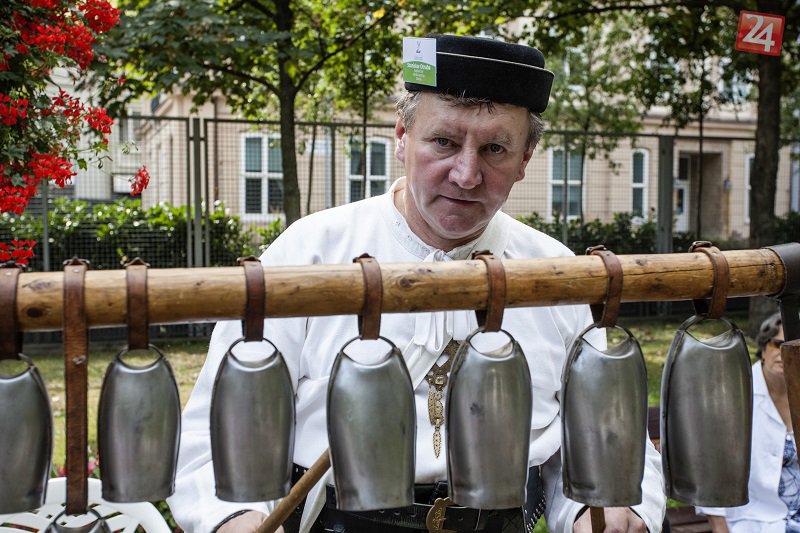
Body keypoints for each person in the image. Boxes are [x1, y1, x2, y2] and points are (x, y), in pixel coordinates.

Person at [166, 34, 666, 533]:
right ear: (402, 136)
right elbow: (214, 439)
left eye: (494, 149)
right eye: (444, 142)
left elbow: (606, 439)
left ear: (525, 159)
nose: (466, 175)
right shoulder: (309, 254)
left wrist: (611, 513)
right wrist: (238, 519)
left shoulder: (556, 275)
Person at [698, 312, 798, 532]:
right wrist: (719, 526)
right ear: (763, 346)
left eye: (793, 348)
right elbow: (710, 466)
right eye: (777, 344)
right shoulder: (735, 393)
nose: (784, 353)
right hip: (755, 520)